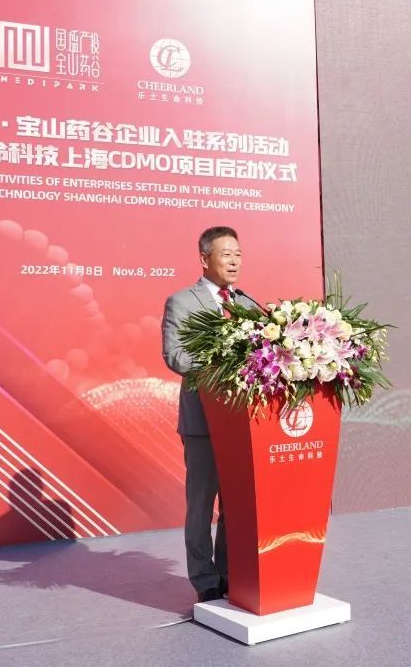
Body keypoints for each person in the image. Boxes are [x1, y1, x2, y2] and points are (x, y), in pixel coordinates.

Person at [161, 226, 264, 603]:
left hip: (241, 423)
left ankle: (229, 574)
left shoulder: (248, 304)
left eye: (238, 254)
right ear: (205, 259)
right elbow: (175, 356)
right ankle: (205, 579)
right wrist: (224, 358)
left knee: (235, 505)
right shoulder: (181, 302)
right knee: (202, 505)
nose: (234, 261)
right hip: (204, 421)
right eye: (226, 254)